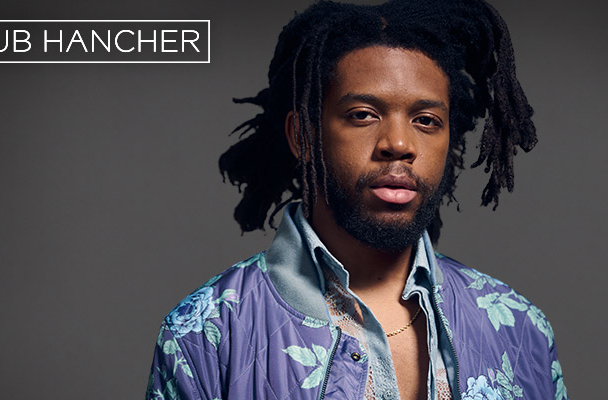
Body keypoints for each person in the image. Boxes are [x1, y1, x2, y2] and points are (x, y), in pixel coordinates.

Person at [146, 0, 568, 399]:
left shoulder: (520, 327)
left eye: (426, 121)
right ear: (303, 137)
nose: (399, 144)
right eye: (363, 114)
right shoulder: (205, 333)